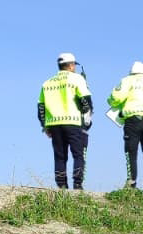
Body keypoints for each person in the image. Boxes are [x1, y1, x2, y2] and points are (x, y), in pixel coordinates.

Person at [38, 52, 93, 190]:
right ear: (71, 65)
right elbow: (86, 101)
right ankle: (77, 185)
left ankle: (62, 186)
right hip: (73, 122)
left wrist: (45, 126)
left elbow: (41, 107)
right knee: (78, 154)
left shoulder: (47, 83)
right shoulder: (77, 79)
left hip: (54, 124)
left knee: (60, 157)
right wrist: (87, 120)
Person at [108, 61, 143, 193]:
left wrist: (111, 102)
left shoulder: (128, 80)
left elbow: (116, 97)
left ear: (131, 72)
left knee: (131, 153)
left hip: (133, 120)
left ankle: (131, 184)